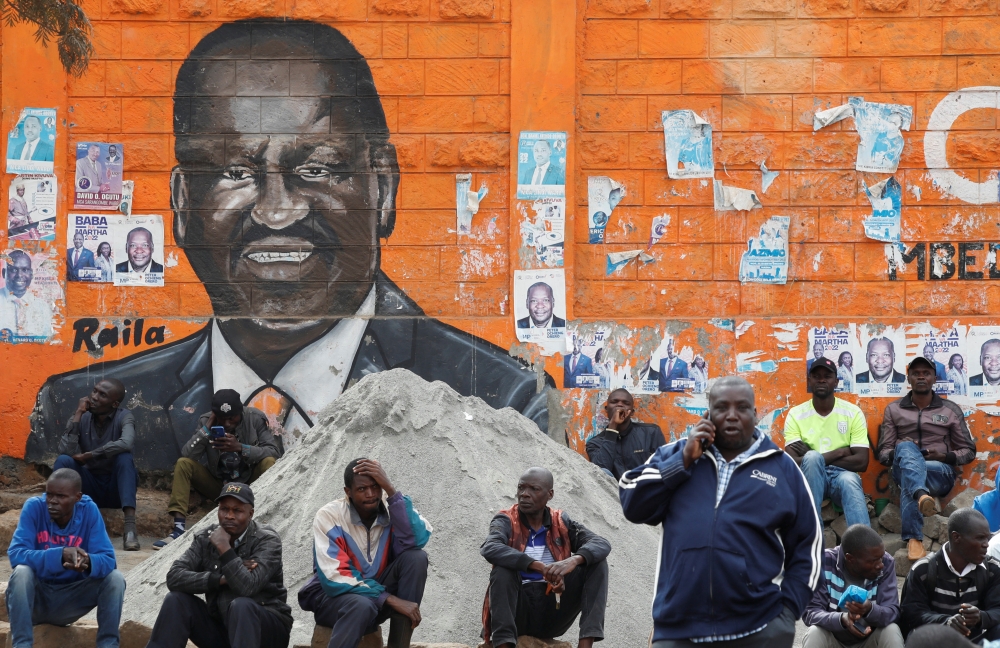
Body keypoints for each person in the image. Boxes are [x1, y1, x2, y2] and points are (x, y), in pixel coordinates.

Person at [29, 19, 553, 471]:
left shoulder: (502, 402)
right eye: (235, 172)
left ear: (384, 188)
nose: (277, 210)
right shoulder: (72, 406)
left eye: (317, 168)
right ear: (183, 203)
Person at [619, 376, 821, 647]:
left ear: (755, 413)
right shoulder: (675, 454)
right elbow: (632, 503)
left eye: (742, 408)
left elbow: (809, 545)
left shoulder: (782, 468)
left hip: (758, 629)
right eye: (722, 407)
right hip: (678, 630)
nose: (732, 416)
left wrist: (787, 613)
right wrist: (683, 461)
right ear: (708, 413)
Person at [299, 458, 431, 648]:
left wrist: (392, 491)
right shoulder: (329, 516)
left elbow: (418, 539)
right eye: (362, 489)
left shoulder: (393, 507)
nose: (370, 494)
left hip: (374, 597)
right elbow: (335, 577)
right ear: (348, 492)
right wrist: (389, 599)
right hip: (333, 600)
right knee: (361, 605)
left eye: (376, 487)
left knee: (416, 558)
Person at [145, 482, 293, 648]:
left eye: (237, 510)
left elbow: (246, 587)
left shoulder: (266, 540)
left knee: (241, 605)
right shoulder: (206, 537)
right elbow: (174, 578)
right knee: (176, 600)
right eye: (224, 509)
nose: (229, 516)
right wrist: (220, 579)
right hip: (222, 628)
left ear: (250, 513)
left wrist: (224, 548)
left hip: (266, 629)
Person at [481, 467, 610, 648]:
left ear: (550, 494)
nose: (524, 494)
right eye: (521, 488)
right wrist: (539, 567)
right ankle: (503, 645)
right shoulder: (506, 519)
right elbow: (490, 547)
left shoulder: (561, 522)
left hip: (552, 610)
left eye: (534, 489)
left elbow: (601, 543)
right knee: (502, 570)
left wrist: (572, 561)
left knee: (596, 563)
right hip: (518, 612)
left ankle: (586, 644)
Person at [6, 468, 125, 648]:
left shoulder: (88, 510)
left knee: (115, 579)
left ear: (77, 497)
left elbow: (108, 560)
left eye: (60, 496)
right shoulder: (34, 507)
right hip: (37, 599)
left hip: (70, 600)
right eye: (49, 495)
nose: (52, 502)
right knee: (22, 572)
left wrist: (88, 562)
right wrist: (59, 555)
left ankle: (108, 645)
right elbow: (16, 554)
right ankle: (22, 644)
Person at [876, 356, 976, 561]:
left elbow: (968, 451)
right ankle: (921, 496)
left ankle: (914, 539)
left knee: (909, 474)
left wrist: (946, 456)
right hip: (902, 467)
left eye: (926, 373)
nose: (921, 377)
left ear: (934, 378)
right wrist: (905, 452)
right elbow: (884, 454)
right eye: (916, 373)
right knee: (905, 448)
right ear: (909, 378)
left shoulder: (949, 410)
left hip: (940, 471)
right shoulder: (894, 410)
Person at [154, 389, 280, 549]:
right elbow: (188, 454)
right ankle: (178, 530)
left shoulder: (254, 418)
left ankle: (265, 523)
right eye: (222, 419)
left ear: (240, 411)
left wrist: (241, 448)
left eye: (231, 418)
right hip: (218, 487)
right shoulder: (206, 421)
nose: (227, 423)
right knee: (183, 463)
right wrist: (206, 429)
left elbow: (274, 452)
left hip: (249, 486)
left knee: (268, 461)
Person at [52, 378, 140, 551]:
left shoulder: (124, 416)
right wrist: (77, 414)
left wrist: (91, 455)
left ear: (114, 404)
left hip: (116, 490)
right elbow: (65, 449)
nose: (94, 397)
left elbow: (126, 442)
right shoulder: (82, 415)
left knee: (124, 457)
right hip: (89, 488)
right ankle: (60, 522)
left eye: (102, 395)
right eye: (94, 391)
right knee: (63, 461)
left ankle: (130, 529)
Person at [784, 357, 872, 529]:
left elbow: (862, 462)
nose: (822, 380)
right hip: (811, 478)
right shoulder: (796, 414)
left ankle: (865, 546)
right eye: (816, 376)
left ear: (836, 381)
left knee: (848, 480)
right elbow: (791, 463)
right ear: (809, 381)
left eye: (827, 376)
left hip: (841, 475)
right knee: (812, 459)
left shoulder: (852, 413)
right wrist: (838, 452)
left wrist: (815, 456)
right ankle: (811, 537)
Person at [900, 508, 1000, 642]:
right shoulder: (923, 570)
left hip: (975, 643)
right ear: (956, 537)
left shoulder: (993, 569)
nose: (986, 544)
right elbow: (911, 614)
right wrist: (945, 622)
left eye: (987, 538)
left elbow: (997, 609)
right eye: (980, 538)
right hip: (935, 642)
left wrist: (981, 617)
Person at [802, 524, 903, 648]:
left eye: (881, 558)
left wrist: (869, 609)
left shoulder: (886, 563)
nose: (880, 565)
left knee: (891, 630)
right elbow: (810, 612)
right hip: (834, 640)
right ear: (850, 558)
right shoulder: (822, 563)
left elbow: (892, 612)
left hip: (869, 641)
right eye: (873, 561)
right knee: (814, 632)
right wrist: (841, 619)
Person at [585, 388, 665, 480]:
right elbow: (602, 477)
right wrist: (612, 429)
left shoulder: (651, 433)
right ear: (606, 409)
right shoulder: (595, 443)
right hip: (614, 492)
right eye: (614, 402)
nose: (619, 405)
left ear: (632, 412)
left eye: (626, 403)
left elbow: (664, 466)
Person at [0, 249, 53, 338]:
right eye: (13, 270)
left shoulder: (42, 307)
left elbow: (47, 342)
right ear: (4, 273)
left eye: (25, 270)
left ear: (31, 274)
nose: (19, 275)